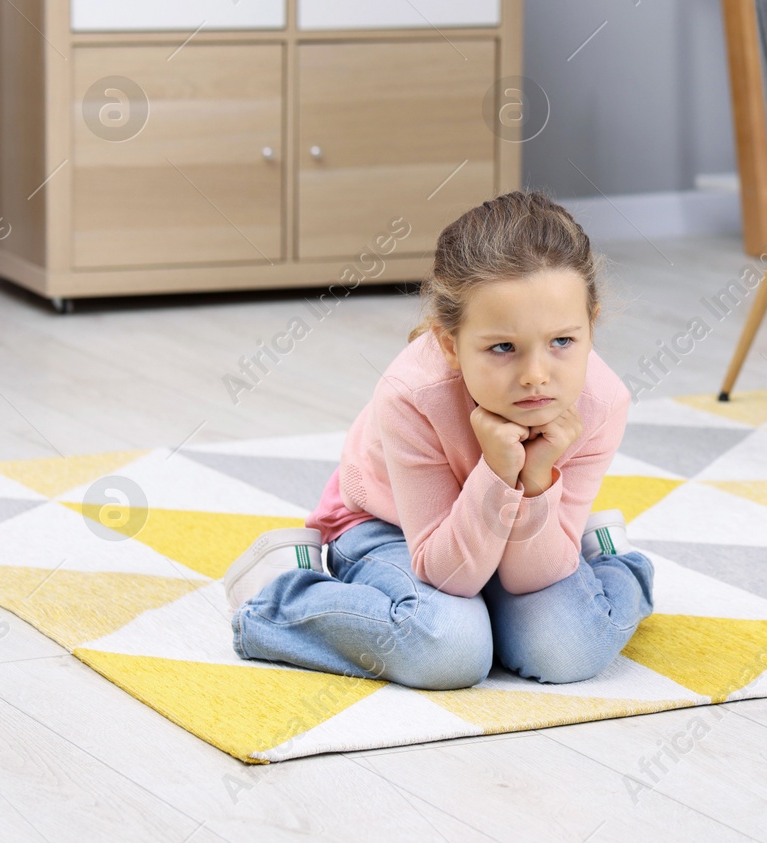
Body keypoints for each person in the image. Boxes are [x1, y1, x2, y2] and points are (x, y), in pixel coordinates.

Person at [224, 191, 654, 689]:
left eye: (562, 341)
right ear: (450, 344)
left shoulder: (602, 402)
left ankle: (613, 560)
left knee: (569, 649)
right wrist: (496, 472)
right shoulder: (412, 394)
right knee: (451, 650)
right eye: (502, 348)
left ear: (591, 325)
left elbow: (525, 579)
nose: (537, 376)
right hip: (392, 527)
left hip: (515, 531)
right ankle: (280, 595)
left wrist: (535, 481)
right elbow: (448, 576)